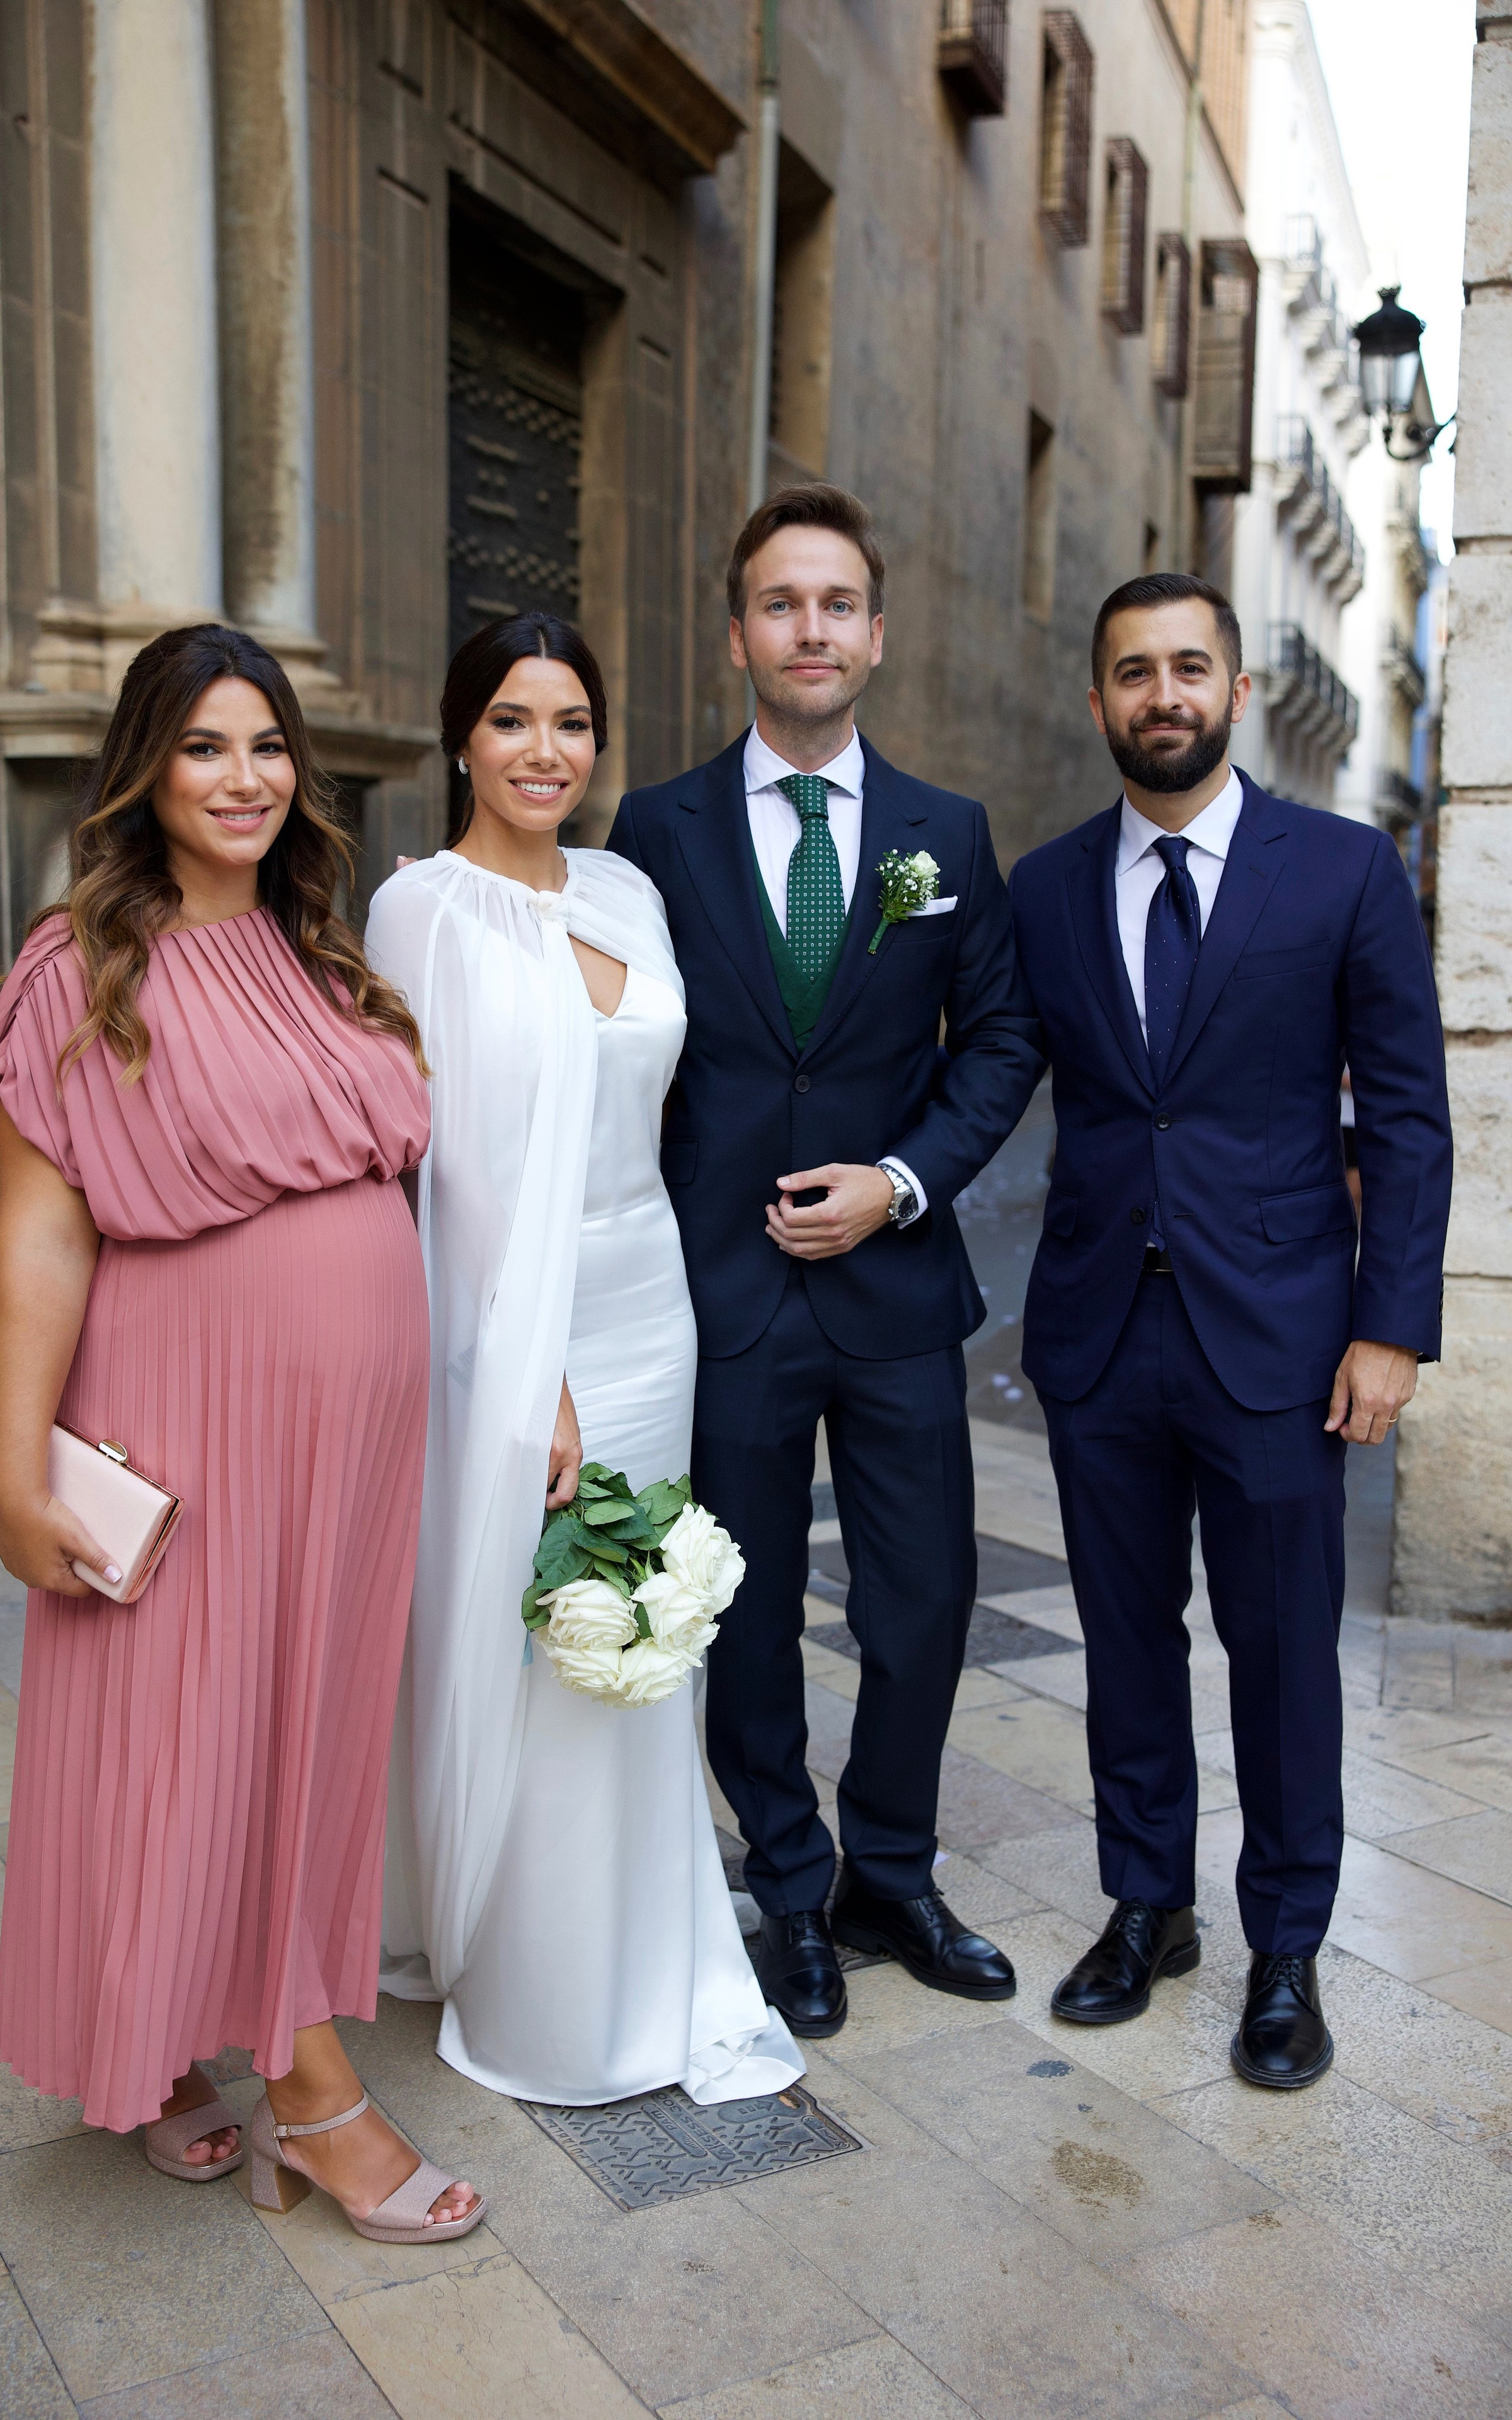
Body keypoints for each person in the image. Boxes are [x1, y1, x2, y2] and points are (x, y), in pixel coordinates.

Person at [0, 625, 483, 2240]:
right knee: (186, 1734)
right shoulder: (78, 967)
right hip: (183, 1414)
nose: (244, 777)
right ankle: (314, 2093)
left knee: (300, 1739)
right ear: (145, 766)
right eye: (204, 747)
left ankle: (183, 2032)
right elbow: (43, 1245)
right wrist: (11, 1475)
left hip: (351, 1446)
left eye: (266, 745)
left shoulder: (316, 950)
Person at [607, 486, 1045, 2037]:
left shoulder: (946, 835)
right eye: (780, 604)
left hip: (892, 1292)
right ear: (738, 636)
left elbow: (996, 1039)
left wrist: (901, 1182)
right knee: (741, 1603)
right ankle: (789, 1891)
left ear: (876, 634)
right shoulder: (652, 829)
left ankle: (895, 1871)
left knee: (920, 1600)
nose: (810, 630)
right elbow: (621, 1049)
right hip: (715, 1293)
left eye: (837, 603)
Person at [1008, 572, 1452, 2089]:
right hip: (1097, 1338)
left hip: (1276, 1338)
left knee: (1276, 1655)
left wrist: (1388, 1329)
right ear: (1096, 704)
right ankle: (1147, 1908)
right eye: (1130, 672)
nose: (1161, 696)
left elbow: (1403, 1113)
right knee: (1124, 1644)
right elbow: (994, 1075)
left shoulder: (1337, 871)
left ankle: (1284, 1949)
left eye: (1187, 666)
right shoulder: (1046, 887)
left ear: (1237, 690)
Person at [370, 612, 803, 2107]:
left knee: (645, 1634)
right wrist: (525, 1363)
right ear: (458, 737)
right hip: (512, 1324)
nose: (541, 751)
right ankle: (546, 1987)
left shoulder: (625, 889)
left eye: (568, 722)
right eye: (508, 720)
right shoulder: (420, 909)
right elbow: (439, 1163)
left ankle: (647, 1935)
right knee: (540, 1631)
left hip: (650, 1295)